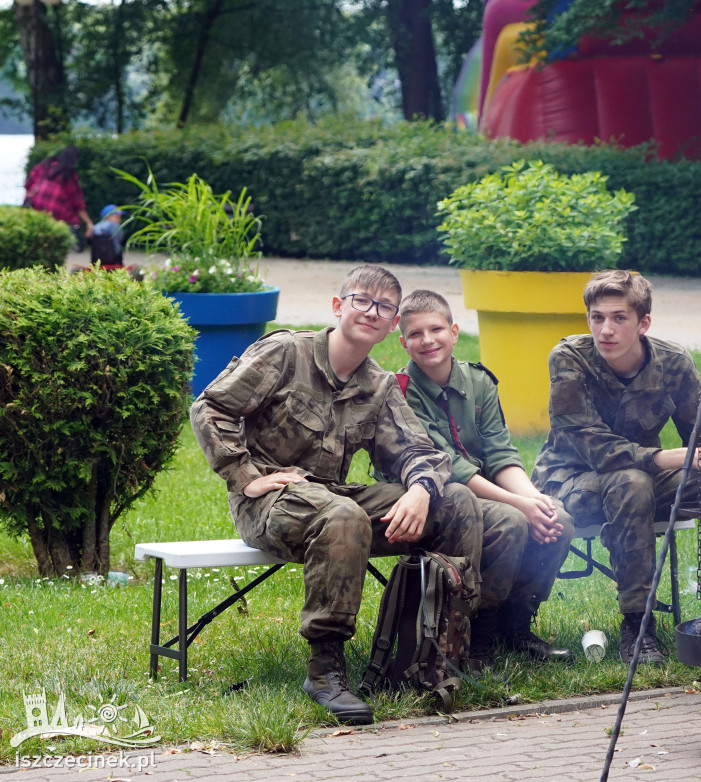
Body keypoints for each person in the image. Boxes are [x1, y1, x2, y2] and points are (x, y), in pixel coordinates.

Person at [190, 265, 483, 725]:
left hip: (333, 497)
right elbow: (211, 406)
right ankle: (325, 669)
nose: (372, 311)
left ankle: (430, 653)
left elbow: (418, 450)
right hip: (271, 503)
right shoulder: (287, 353)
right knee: (344, 515)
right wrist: (245, 475)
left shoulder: (378, 385)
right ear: (338, 305)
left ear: (391, 326)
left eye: (384, 307)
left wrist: (423, 490)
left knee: (456, 503)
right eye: (362, 300)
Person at [532, 270, 701, 665]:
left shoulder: (671, 363)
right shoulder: (569, 359)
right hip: (568, 482)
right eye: (597, 317)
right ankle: (638, 625)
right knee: (631, 482)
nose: (606, 329)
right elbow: (598, 451)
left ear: (644, 323)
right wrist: (685, 457)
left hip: (641, 479)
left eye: (619, 318)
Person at [393, 289, 574, 668]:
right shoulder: (401, 392)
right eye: (415, 334)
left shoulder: (479, 382)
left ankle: (516, 625)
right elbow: (449, 466)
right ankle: (479, 637)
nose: (428, 340)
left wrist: (534, 500)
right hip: (433, 494)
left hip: (484, 489)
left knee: (557, 516)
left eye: (436, 329)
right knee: (510, 522)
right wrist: (519, 505)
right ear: (403, 342)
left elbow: (500, 452)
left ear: (454, 332)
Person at [24, 146, 94, 249]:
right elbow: (77, 201)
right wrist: (89, 222)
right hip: (56, 213)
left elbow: (28, 185)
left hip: (35, 207)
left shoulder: (44, 166)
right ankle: (75, 244)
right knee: (72, 223)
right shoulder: (69, 174)